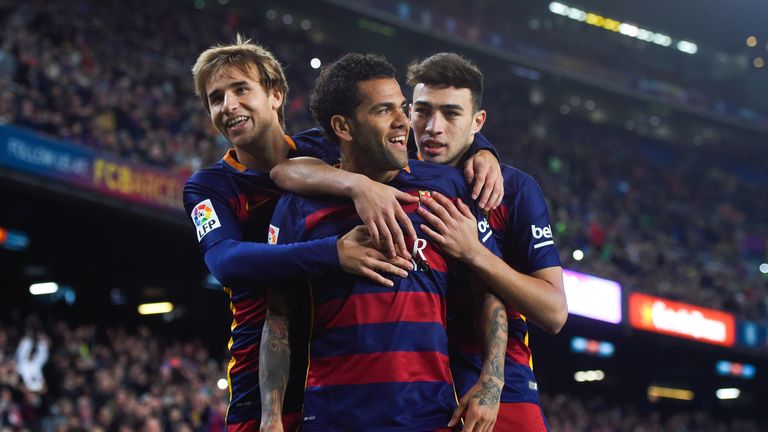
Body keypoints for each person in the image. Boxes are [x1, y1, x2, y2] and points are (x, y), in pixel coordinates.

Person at [261, 53, 506, 432]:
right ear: (343, 126)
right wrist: (271, 416)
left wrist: (491, 383)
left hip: (429, 419)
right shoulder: (298, 206)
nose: (403, 123)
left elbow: (487, 289)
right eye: (383, 111)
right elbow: (278, 317)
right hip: (332, 419)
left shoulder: (446, 187)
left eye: (403, 108)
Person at [183, 36, 411, 431]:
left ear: (276, 94)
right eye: (215, 98)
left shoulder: (323, 148)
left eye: (241, 89)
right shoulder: (208, 187)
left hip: (343, 365)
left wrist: (482, 150)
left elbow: (402, 143)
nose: (228, 105)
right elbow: (225, 261)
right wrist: (333, 253)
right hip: (264, 379)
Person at [407, 52, 567, 431]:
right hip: (410, 385)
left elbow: (554, 312)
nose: (433, 127)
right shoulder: (382, 178)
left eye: (451, 114)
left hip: (502, 389)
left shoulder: (513, 189)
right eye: (423, 111)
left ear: (477, 122)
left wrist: (474, 253)